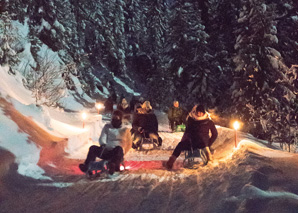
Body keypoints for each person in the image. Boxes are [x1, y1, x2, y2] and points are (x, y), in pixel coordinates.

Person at [79, 110, 132, 175]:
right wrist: (103, 144)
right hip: (107, 150)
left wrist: (124, 152)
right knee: (92, 148)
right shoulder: (107, 127)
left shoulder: (125, 129)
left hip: (117, 153)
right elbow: (102, 137)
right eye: (114, 117)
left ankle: (113, 165)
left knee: (118, 148)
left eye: (117, 118)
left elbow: (129, 143)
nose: (115, 119)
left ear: (120, 119)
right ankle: (87, 166)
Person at [165, 104, 218, 170]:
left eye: (201, 112)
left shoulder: (209, 122)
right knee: (180, 145)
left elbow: (215, 134)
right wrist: (184, 140)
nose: (199, 113)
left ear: (203, 113)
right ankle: (170, 162)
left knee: (206, 150)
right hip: (191, 142)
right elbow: (187, 132)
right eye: (198, 112)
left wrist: (209, 143)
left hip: (203, 143)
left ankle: (210, 162)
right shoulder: (191, 120)